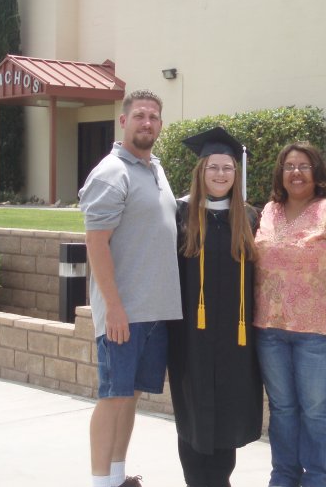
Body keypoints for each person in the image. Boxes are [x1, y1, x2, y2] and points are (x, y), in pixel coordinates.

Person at [78, 90, 182, 487]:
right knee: (113, 397)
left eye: (154, 117)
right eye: (139, 116)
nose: (147, 123)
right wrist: (115, 308)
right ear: (122, 122)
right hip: (124, 313)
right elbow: (96, 244)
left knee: (131, 395)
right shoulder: (111, 172)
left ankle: (120, 477)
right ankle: (101, 482)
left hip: (154, 312)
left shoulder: (154, 167)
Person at [253, 142, 326, 487]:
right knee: (283, 409)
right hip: (269, 328)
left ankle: (317, 479)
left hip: (317, 330)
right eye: (289, 166)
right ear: (280, 173)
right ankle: (284, 476)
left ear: (317, 172)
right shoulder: (268, 211)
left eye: (303, 166)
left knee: (316, 410)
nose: (296, 173)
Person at [167, 127, 263, 487]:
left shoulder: (250, 218)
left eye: (227, 168)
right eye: (213, 167)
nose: (220, 174)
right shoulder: (180, 214)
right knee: (193, 414)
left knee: (228, 412)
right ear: (201, 171)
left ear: (236, 174)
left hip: (236, 339)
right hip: (190, 336)